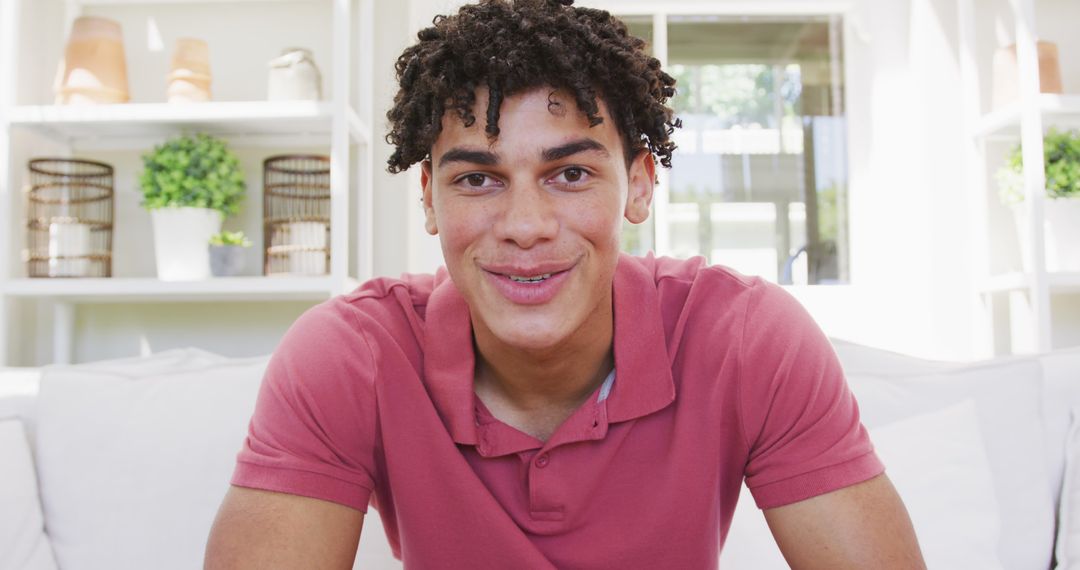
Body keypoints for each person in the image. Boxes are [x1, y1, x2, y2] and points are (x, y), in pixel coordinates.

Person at [205, 1, 925, 568]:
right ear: (429, 198)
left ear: (638, 187)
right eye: (478, 179)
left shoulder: (746, 338)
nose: (525, 224)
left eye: (570, 173)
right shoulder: (349, 355)